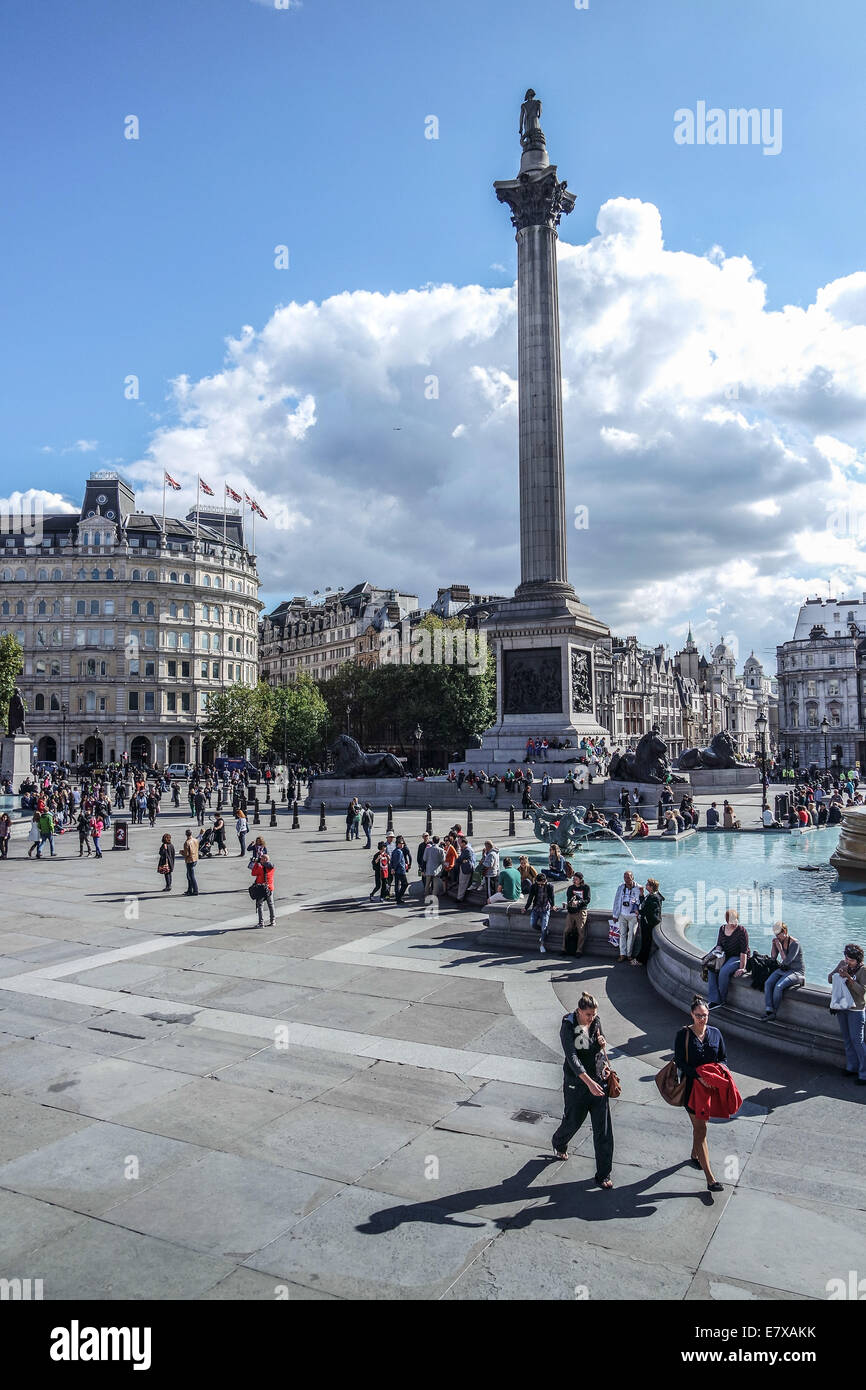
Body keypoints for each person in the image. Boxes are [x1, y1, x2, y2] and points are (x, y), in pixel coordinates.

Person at [551, 992, 614, 1189]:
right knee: (572, 1122)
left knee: (603, 1131)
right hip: (576, 1084)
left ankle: (603, 1174)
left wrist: (602, 1050)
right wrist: (587, 1082)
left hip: (597, 1081)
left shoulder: (596, 1021)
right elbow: (572, 1058)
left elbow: (596, 1047)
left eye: (594, 1014)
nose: (592, 1018)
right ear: (579, 1011)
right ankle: (559, 1142)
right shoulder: (568, 1026)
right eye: (588, 1014)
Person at [674, 995, 729, 1191]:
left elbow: (723, 1058)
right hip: (691, 1089)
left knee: (700, 1126)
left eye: (705, 1015)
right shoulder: (683, 1035)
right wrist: (698, 1076)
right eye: (698, 1015)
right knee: (701, 1130)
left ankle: (694, 1155)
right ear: (691, 1014)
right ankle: (710, 1178)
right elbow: (679, 1061)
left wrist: (717, 1074)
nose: (702, 1019)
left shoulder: (716, 1033)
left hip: (710, 1090)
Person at [828, 943, 866, 1083]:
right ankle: (852, 1067)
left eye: (851, 960)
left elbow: (862, 992)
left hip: (856, 1009)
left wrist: (849, 978)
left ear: (858, 960)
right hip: (842, 1006)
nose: (848, 961)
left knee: (858, 1041)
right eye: (846, 958)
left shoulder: (863, 970)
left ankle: (864, 1073)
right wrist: (838, 972)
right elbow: (829, 979)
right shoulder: (842, 963)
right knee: (847, 1039)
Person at [761, 921, 805, 1019]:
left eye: (778, 934)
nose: (777, 937)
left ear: (784, 931)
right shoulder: (779, 940)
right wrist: (774, 945)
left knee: (778, 986)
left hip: (796, 971)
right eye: (775, 934)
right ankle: (769, 1009)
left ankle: (774, 1013)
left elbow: (787, 961)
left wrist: (780, 949)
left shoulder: (795, 943)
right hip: (784, 970)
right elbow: (773, 957)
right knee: (768, 983)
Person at [707, 909, 749, 1007]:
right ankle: (714, 999)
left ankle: (721, 1000)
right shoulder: (722, 929)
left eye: (735, 921)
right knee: (711, 967)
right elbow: (719, 945)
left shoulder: (742, 931)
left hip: (737, 957)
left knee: (724, 972)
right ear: (727, 921)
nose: (734, 923)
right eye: (731, 922)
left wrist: (742, 968)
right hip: (725, 955)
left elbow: (744, 952)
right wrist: (717, 954)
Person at [612, 871, 643, 964]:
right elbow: (617, 901)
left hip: (633, 916)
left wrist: (639, 914)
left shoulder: (638, 887)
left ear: (632, 878)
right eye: (625, 877)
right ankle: (622, 954)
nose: (626, 879)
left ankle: (629, 954)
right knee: (622, 934)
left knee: (631, 935)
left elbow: (641, 902)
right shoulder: (621, 887)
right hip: (622, 915)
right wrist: (615, 915)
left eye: (628, 878)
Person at [635, 877, 664, 966]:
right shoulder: (654, 895)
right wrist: (641, 894)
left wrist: (638, 912)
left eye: (647, 884)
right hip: (648, 922)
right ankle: (640, 959)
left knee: (646, 942)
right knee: (645, 941)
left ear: (651, 887)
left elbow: (648, 910)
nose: (646, 886)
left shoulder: (653, 897)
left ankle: (641, 961)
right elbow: (645, 904)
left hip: (648, 923)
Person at [524, 872, 555, 953]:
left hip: (545, 909)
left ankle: (542, 945)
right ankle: (544, 932)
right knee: (532, 924)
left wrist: (553, 905)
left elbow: (552, 897)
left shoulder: (550, 886)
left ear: (545, 881)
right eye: (538, 884)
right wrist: (526, 907)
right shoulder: (534, 886)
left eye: (542, 884)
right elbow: (530, 898)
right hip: (536, 908)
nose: (540, 885)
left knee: (544, 927)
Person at [565, 871, 591, 956]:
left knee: (581, 931)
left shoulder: (586, 887)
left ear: (580, 880)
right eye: (573, 879)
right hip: (571, 911)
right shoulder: (570, 888)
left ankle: (579, 950)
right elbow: (568, 899)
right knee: (567, 930)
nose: (574, 880)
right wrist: (569, 903)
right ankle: (564, 948)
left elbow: (587, 900)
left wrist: (579, 902)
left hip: (581, 911)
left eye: (576, 879)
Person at [251, 850, 276, 927]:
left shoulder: (260, 868)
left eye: (261, 858)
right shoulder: (272, 868)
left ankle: (261, 923)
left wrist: (256, 863)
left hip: (261, 889)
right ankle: (273, 921)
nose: (260, 859)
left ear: (265, 860)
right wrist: (260, 862)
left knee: (260, 906)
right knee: (271, 905)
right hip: (269, 888)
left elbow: (253, 873)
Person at [456, 837, 476, 902]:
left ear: (464, 843)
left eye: (460, 843)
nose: (459, 844)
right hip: (465, 867)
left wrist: (461, 860)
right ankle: (460, 897)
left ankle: (459, 898)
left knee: (462, 883)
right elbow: (461, 859)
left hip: (466, 869)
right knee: (463, 883)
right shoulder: (466, 849)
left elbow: (460, 859)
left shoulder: (467, 850)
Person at [389, 838, 408, 904]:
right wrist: (394, 868)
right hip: (400, 870)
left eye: (403, 843)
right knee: (405, 884)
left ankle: (397, 898)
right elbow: (397, 861)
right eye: (401, 843)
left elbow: (391, 860)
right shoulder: (399, 851)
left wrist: (392, 868)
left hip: (396, 871)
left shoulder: (394, 851)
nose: (403, 844)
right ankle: (399, 897)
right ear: (398, 844)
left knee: (397, 884)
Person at [182, 829, 199, 895]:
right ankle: (189, 890)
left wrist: (181, 852)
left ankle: (195, 890)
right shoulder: (196, 840)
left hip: (189, 860)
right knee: (189, 875)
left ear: (186, 835)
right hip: (195, 859)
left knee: (191, 876)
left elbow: (186, 854)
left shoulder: (187, 842)